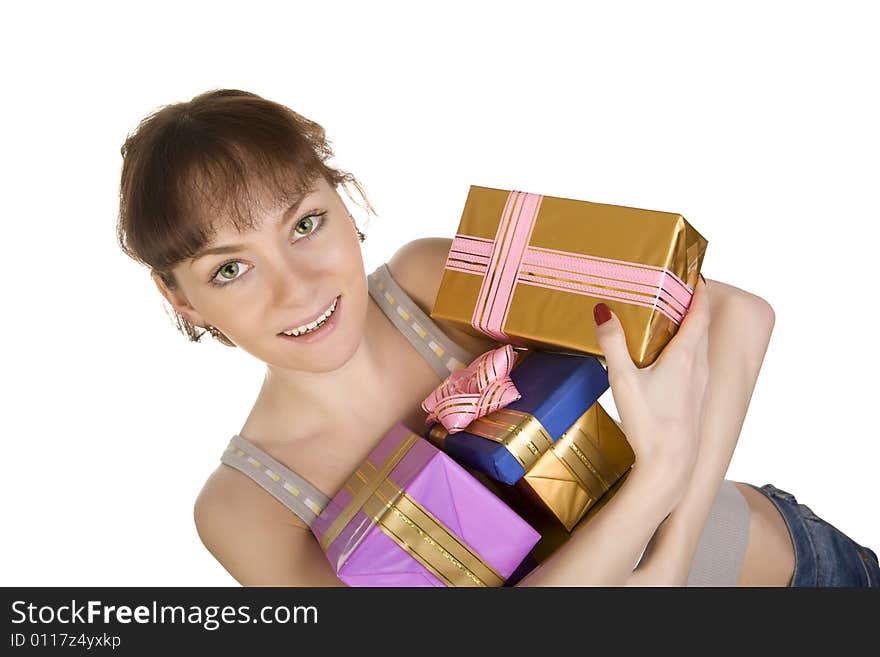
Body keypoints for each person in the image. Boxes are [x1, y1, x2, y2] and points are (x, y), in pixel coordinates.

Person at [116, 88, 880, 587]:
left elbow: (737, 314)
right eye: (229, 270)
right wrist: (658, 478)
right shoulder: (244, 507)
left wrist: (671, 559)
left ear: (345, 201)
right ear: (177, 296)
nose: (299, 286)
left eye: (306, 224)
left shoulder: (424, 282)